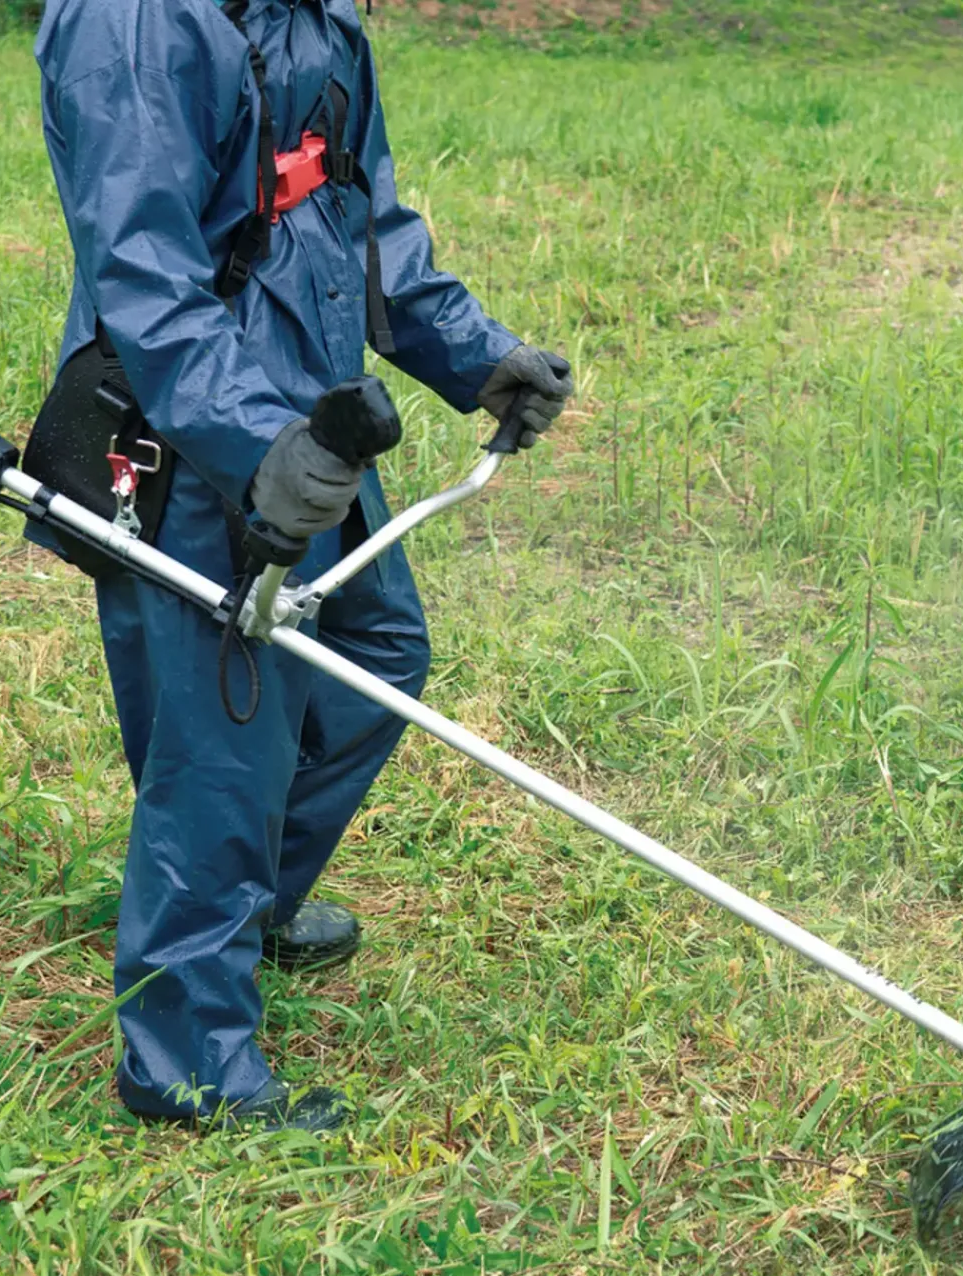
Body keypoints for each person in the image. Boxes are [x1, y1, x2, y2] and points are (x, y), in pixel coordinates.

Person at [32, 0, 572, 1128]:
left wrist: (475, 354)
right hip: (196, 433)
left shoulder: (317, 12)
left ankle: (246, 904)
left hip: (312, 413)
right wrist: (254, 445)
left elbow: (357, 212)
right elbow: (144, 279)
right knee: (224, 742)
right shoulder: (138, 24)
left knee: (377, 653)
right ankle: (188, 1065)